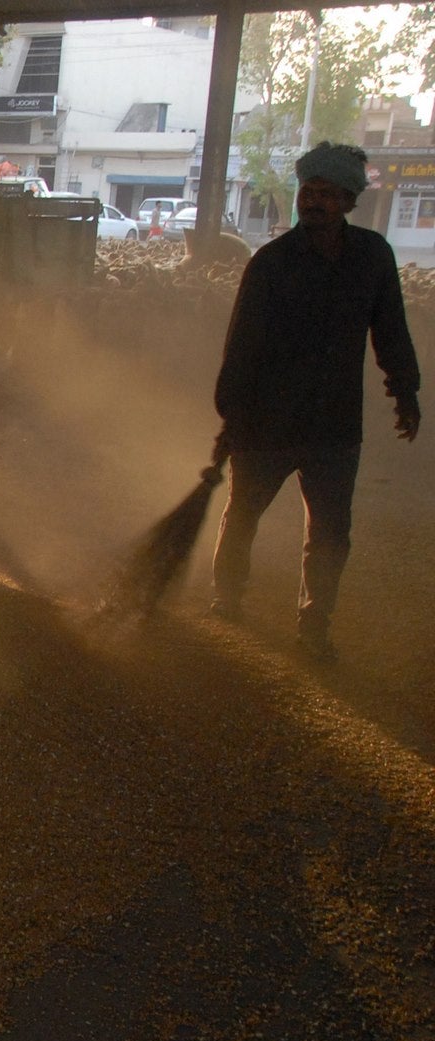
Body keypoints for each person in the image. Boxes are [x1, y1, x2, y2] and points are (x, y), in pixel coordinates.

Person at [209, 141, 421, 663]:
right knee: (242, 514)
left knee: (329, 533)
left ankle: (314, 625)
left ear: (349, 201)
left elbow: (389, 329)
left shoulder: (372, 257)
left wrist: (405, 391)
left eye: (327, 194)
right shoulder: (271, 263)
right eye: (308, 191)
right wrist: (230, 415)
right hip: (266, 422)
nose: (314, 202)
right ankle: (227, 598)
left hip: (334, 423)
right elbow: (242, 344)